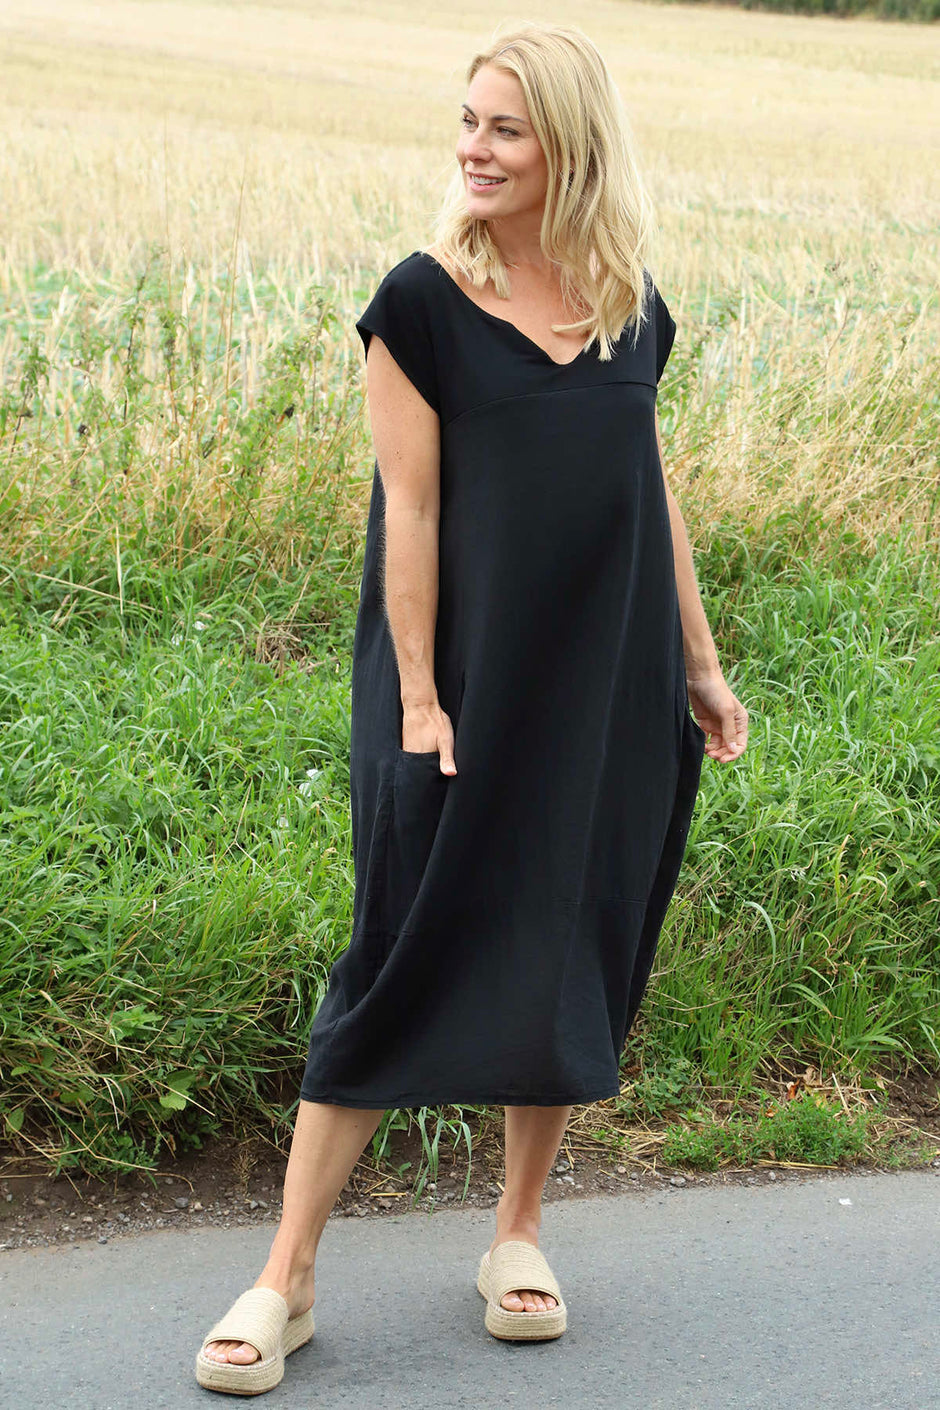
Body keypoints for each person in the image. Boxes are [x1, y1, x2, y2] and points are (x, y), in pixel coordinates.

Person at [195, 19, 748, 1395]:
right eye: (467, 122)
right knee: (396, 951)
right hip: (458, 685)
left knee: (568, 936)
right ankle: (286, 1275)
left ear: (572, 143)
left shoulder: (629, 303)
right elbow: (414, 510)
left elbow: (650, 488)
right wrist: (420, 695)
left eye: (505, 126)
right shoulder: (422, 303)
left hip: (605, 683)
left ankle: (516, 1233)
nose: (474, 149)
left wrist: (698, 660)